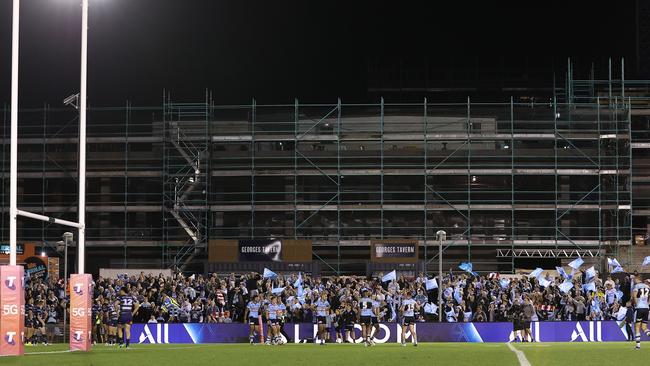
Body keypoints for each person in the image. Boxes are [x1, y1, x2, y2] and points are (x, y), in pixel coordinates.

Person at [631, 278, 650, 349]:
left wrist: (636, 304)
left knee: (637, 327)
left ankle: (638, 346)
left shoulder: (637, 286)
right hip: (646, 308)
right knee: (644, 327)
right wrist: (647, 304)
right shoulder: (648, 287)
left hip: (639, 308)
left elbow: (634, 296)